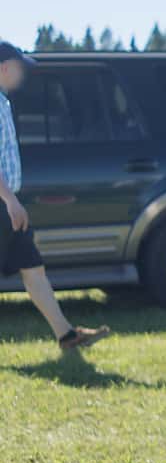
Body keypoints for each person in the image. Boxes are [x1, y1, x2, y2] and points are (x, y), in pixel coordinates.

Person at [0, 42, 108, 351]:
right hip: (3, 203)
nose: (23, 76)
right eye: (21, 68)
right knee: (32, 268)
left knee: (33, 269)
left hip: (7, 203)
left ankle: (66, 335)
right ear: (5, 67)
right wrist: (10, 201)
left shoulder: (3, 102)